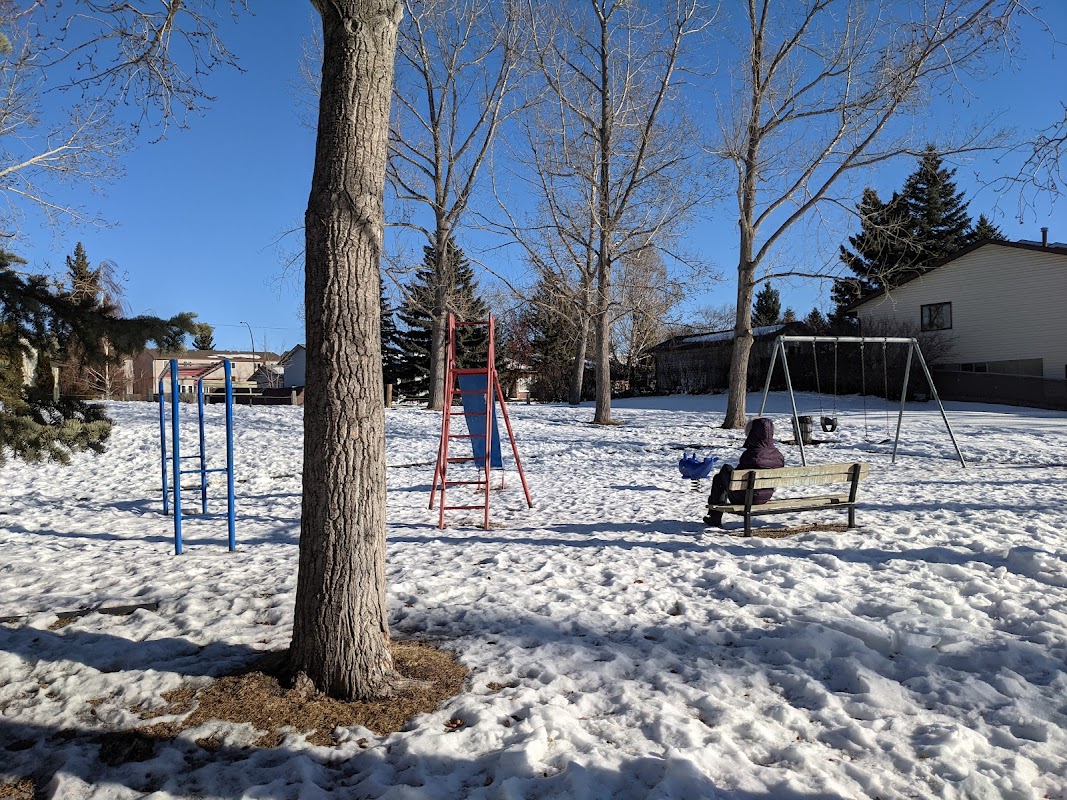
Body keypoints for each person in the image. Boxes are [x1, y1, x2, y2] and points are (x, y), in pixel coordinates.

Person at [703, 417, 785, 527]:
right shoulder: (777, 455)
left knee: (723, 473)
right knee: (723, 475)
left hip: (745, 497)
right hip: (765, 496)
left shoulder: (752, 455)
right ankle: (714, 516)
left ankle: (715, 517)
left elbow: (736, 479)